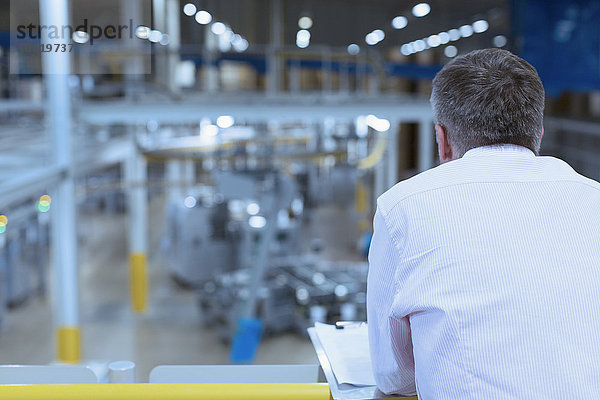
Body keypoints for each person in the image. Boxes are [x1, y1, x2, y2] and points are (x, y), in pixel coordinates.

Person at [367, 48, 600, 399]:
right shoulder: (593, 199)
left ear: (442, 140)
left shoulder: (403, 207)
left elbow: (394, 376)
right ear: (538, 133)